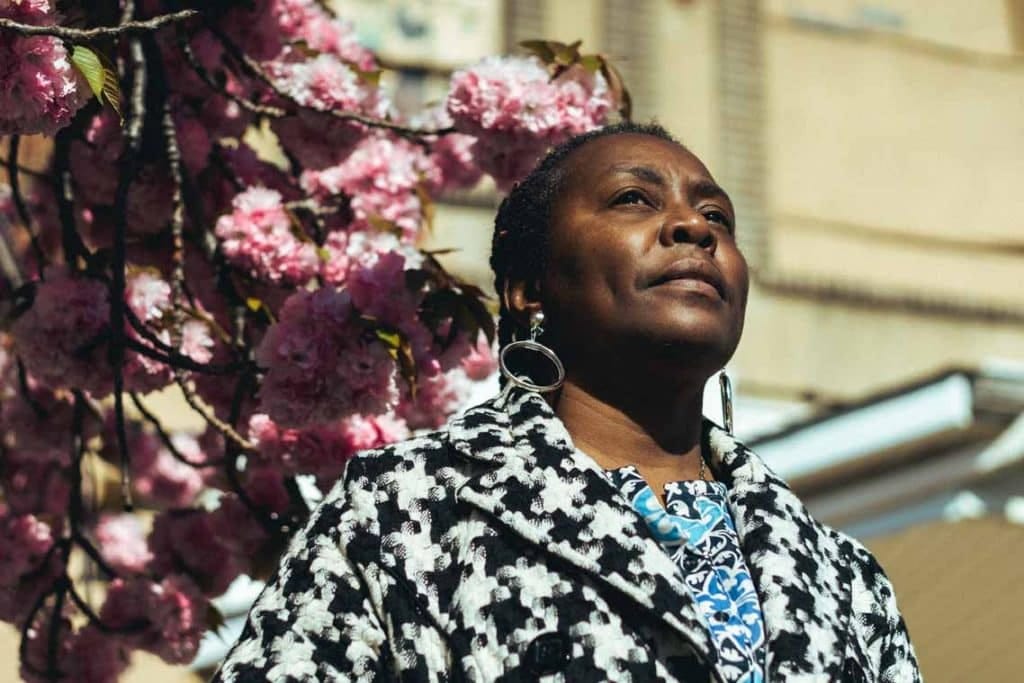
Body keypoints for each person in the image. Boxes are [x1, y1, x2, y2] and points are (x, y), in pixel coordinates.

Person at [212, 122, 921, 682]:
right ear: (529, 288)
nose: (696, 228)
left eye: (718, 217)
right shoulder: (405, 509)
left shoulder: (844, 576)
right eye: (634, 199)